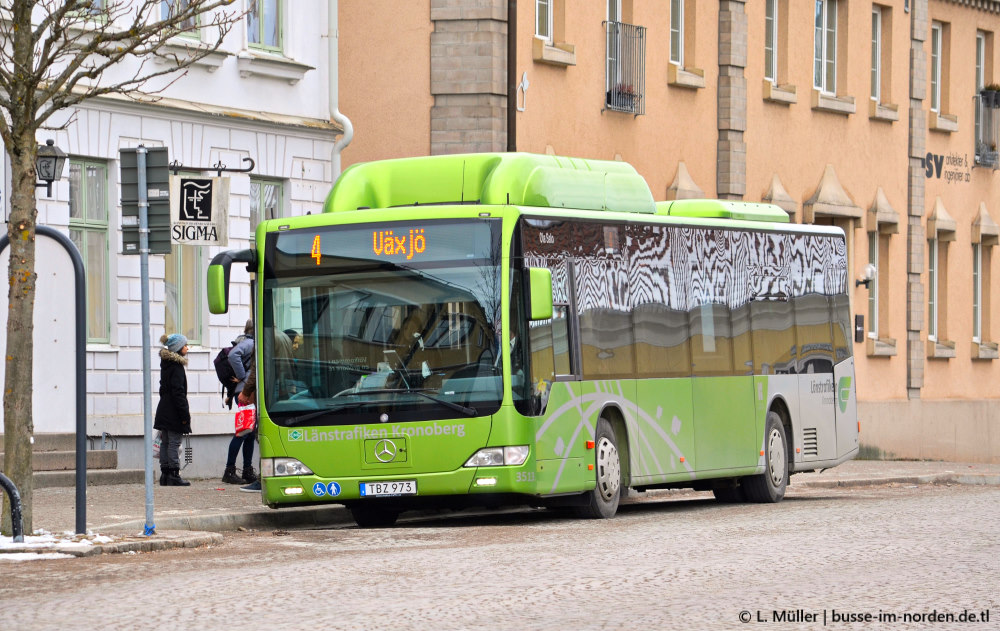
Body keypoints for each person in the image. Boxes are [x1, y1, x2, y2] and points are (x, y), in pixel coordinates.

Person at [222, 320, 258, 485]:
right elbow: (232, 355)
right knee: (243, 432)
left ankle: (247, 470)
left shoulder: (247, 342)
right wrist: (243, 376)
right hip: (246, 394)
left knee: (249, 433)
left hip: (245, 393)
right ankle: (229, 470)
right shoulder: (250, 343)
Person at [154, 333, 192, 487]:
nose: (187, 348)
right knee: (174, 443)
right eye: (184, 345)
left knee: (166, 442)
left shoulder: (166, 365)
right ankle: (174, 475)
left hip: (163, 409)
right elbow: (178, 393)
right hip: (174, 411)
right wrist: (185, 415)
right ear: (177, 348)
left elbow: (163, 389)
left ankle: (165, 474)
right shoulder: (177, 367)